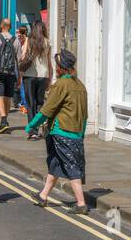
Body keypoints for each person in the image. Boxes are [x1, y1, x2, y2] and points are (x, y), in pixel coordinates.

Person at [26, 49, 89, 212]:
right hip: (75, 132)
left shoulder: (61, 85)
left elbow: (47, 110)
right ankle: (43, 195)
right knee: (55, 163)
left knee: (71, 167)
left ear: (61, 68)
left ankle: (81, 204)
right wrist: (82, 132)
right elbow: (85, 114)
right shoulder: (80, 85)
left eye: (56, 65)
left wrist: (31, 125)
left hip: (62, 131)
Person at [20, 20, 51, 140]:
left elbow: (23, 57)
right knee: (40, 103)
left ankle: (33, 131)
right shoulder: (47, 42)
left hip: (29, 75)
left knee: (30, 104)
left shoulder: (29, 40)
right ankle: (41, 127)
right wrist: (49, 79)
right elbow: (49, 63)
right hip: (43, 76)